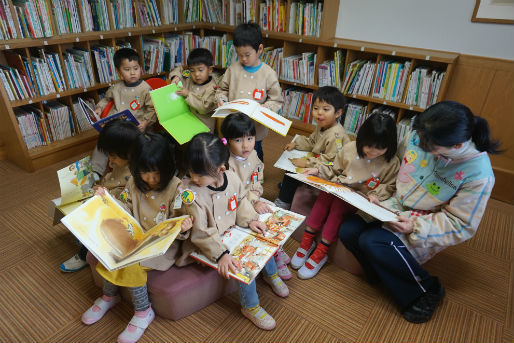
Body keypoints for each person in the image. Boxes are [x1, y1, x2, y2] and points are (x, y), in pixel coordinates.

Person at [338, 101, 500, 324]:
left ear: (456, 146)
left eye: (431, 148)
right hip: (394, 203)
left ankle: (426, 289)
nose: (419, 146)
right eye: (418, 138)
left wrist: (415, 226)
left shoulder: (479, 175)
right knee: (348, 229)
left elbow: (461, 224)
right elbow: (394, 166)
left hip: (427, 220)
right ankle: (382, 269)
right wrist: (378, 193)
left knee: (373, 241)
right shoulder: (418, 136)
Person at [82, 132, 193, 343]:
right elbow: (126, 208)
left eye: (156, 174)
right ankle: (109, 295)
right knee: (111, 248)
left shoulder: (177, 188)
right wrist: (107, 200)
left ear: (167, 168)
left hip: (162, 246)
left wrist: (183, 227)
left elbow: (179, 222)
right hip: (136, 235)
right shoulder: (133, 182)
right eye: (145, 173)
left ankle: (143, 311)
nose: (150, 180)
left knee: (132, 260)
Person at [176, 133, 289, 330]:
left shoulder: (231, 177)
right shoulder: (193, 195)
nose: (193, 178)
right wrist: (221, 255)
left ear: (221, 169)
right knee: (240, 261)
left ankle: (271, 274)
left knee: (261, 237)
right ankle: (250, 306)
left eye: (199, 174)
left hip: (231, 230)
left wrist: (250, 220)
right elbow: (201, 232)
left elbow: (242, 199)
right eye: (191, 172)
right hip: (209, 245)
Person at [292, 112, 400, 279]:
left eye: (379, 148)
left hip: (357, 198)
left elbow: (389, 186)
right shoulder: (350, 148)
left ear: (390, 144)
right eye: (368, 145)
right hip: (338, 187)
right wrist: (318, 169)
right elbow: (334, 168)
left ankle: (322, 251)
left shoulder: (392, 163)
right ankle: (307, 241)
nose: (372, 152)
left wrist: (375, 195)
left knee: (337, 208)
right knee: (324, 198)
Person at [60, 119, 140, 272]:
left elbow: (124, 201)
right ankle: (83, 236)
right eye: (108, 155)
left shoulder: (135, 174)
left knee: (93, 217)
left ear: (129, 154)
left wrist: (105, 196)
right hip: (106, 194)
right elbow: (111, 178)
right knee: (74, 202)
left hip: (119, 211)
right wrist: (101, 185)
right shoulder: (121, 163)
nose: (110, 160)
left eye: (114, 157)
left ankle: (83, 254)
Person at [220, 113, 292, 280]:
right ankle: (272, 260)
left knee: (272, 213)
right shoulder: (226, 163)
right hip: (235, 203)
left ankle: (277, 250)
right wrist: (253, 201)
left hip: (252, 196)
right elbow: (233, 190)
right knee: (258, 221)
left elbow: (257, 176)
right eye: (238, 140)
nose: (246, 145)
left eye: (250, 138)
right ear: (228, 141)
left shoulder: (253, 154)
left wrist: (257, 194)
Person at [274, 86, 351, 210]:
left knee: (292, 173)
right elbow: (312, 141)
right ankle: (290, 189)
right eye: (316, 108)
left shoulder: (336, 135)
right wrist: (297, 144)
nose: (319, 113)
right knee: (290, 170)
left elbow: (331, 161)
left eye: (325, 109)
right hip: (319, 161)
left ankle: (283, 202)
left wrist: (307, 163)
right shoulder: (322, 125)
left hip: (332, 171)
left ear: (338, 113)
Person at [216, 22, 283, 161]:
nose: (243, 59)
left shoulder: (268, 74)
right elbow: (222, 90)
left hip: (255, 129)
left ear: (259, 49)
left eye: (247, 54)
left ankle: (256, 177)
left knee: (255, 154)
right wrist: (221, 99)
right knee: (232, 154)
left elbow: (276, 99)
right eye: (239, 55)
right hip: (233, 125)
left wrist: (266, 107)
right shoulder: (233, 70)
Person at [91, 48, 157, 178]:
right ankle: (96, 170)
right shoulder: (117, 87)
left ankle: (128, 171)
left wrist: (145, 122)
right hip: (115, 124)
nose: (132, 73)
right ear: (119, 72)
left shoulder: (145, 89)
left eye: (136, 68)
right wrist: (99, 108)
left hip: (135, 127)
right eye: (127, 70)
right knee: (103, 142)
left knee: (131, 145)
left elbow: (152, 109)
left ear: (141, 69)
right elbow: (107, 99)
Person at [168, 48, 218, 132]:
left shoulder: (213, 88)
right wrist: (176, 76)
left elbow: (204, 108)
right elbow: (178, 68)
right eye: (192, 70)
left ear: (210, 70)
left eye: (200, 70)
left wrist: (188, 94)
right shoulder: (189, 78)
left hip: (204, 127)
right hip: (187, 121)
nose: (196, 74)